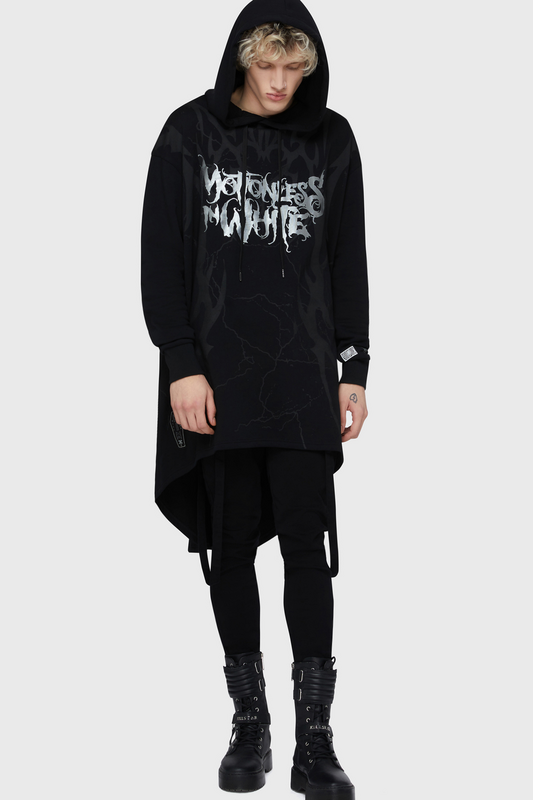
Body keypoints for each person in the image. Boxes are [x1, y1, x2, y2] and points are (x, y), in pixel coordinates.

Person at [141, 1, 369, 797]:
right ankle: (250, 726)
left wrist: (353, 365)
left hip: (302, 369)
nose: (278, 83)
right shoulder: (189, 134)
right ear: (241, 62)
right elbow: (160, 256)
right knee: (229, 542)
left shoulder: (332, 140)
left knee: (307, 545)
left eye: (293, 69)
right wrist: (180, 363)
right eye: (265, 67)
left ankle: (316, 741)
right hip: (216, 370)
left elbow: (347, 257)